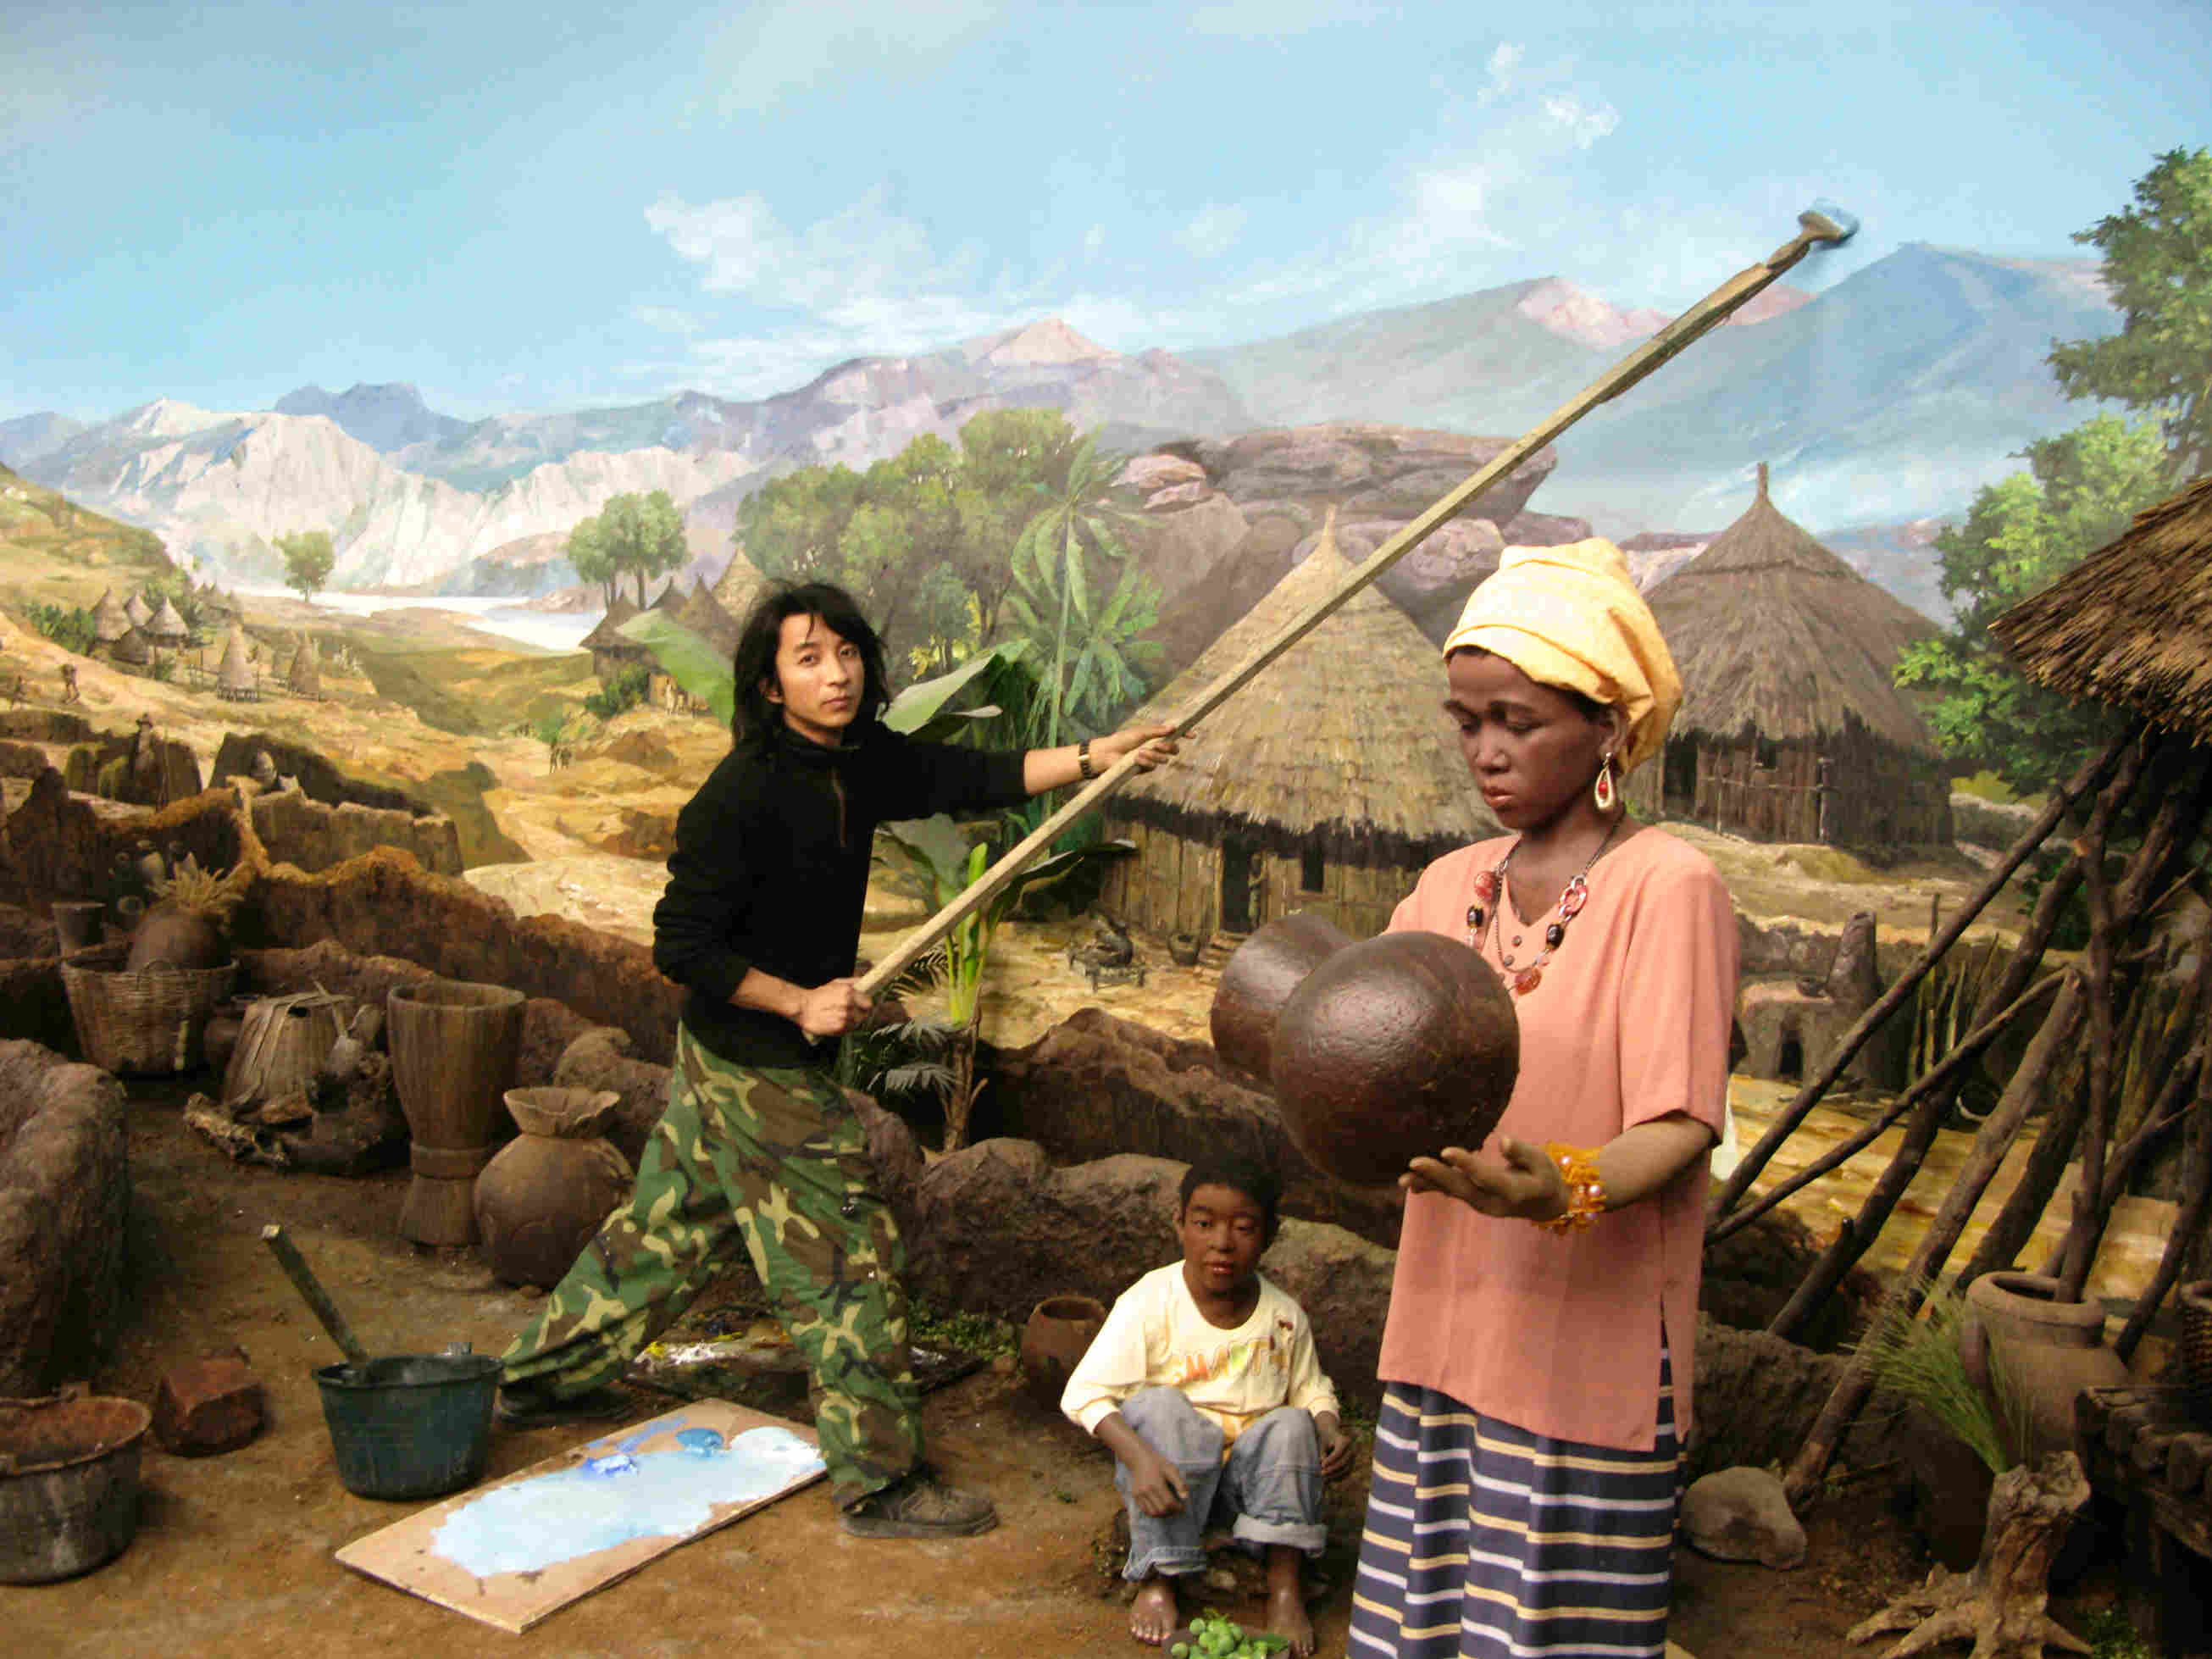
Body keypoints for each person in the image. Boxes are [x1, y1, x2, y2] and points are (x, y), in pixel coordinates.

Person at [498, 580, 1178, 1540]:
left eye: (847, 652)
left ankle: (539, 1379)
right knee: (848, 1260)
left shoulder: (857, 761)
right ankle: (881, 1482)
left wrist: (1091, 756)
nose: (836, 674)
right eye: (808, 657)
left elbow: (962, 775)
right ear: (769, 683)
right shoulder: (739, 795)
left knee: (665, 1230)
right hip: (759, 1066)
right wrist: (799, 1000)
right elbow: (681, 946)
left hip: (729, 1059)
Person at [1345, 539, 1738, 1659]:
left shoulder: (1667, 886)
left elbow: (1681, 1120)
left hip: (1580, 1344)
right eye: (1467, 720)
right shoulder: (1446, 887)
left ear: (1607, 726)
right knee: (1423, 1623)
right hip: (1444, 1325)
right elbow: (1364, 1048)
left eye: (1515, 720)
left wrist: (1557, 1188)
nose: (1485, 749)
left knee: (1543, 1629)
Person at [1062, 1157, 1355, 1656]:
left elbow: (1310, 1388)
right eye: (1204, 1224)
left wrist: (1328, 1427)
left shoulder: (1283, 1315)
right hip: (1172, 1479)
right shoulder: (1149, 1301)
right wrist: (1140, 1460)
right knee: (1159, 1407)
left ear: (1269, 1235)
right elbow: (1083, 1393)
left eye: (1243, 1227)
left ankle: (1285, 1586)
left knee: (1291, 1424)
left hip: (1251, 1488)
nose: (1222, 1242)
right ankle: (1160, 1575)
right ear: (1179, 1224)